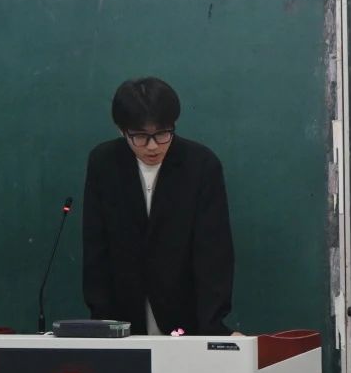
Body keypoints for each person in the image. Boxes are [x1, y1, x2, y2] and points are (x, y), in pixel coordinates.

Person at [82, 77, 236, 335]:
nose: (153, 146)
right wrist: (102, 322)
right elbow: (96, 248)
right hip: (122, 320)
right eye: (140, 136)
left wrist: (212, 327)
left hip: (187, 319)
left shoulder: (200, 165)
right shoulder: (104, 163)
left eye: (162, 134)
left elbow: (214, 254)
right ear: (121, 130)